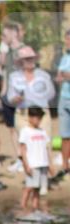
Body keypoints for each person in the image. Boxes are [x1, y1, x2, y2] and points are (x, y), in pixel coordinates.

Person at [19, 107, 52, 212]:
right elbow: (23, 150)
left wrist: (50, 164)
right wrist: (26, 164)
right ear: (30, 118)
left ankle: (35, 206)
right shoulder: (25, 131)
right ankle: (23, 207)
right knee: (29, 187)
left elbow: (46, 149)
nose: (39, 120)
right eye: (37, 117)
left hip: (43, 163)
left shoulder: (42, 131)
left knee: (37, 188)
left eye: (40, 118)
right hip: (33, 164)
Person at [58, 28, 70, 176]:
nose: (67, 42)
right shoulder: (64, 57)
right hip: (64, 97)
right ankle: (65, 165)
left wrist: (65, 75)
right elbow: (60, 74)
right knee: (65, 134)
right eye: (66, 39)